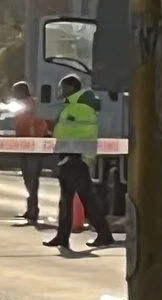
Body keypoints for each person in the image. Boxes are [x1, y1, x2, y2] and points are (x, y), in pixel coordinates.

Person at [45, 75, 112, 253]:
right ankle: (67, 236)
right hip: (73, 157)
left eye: (63, 87)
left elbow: (82, 134)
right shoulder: (74, 105)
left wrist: (71, 156)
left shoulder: (80, 107)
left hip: (74, 158)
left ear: (71, 87)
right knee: (80, 198)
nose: (61, 91)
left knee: (73, 200)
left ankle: (99, 234)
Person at [9, 82, 47, 227]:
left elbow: (34, 123)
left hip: (33, 145)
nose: (14, 95)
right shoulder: (24, 104)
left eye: (15, 91)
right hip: (25, 144)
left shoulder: (30, 104)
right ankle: (31, 208)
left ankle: (33, 209)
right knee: (29, 178)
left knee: (31, 178)